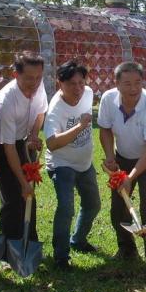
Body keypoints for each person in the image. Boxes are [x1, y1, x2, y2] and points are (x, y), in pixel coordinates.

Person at [98, 61, 146, 279]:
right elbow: (105, 129)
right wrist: (110, 157)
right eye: (127, 83)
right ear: (116, 84)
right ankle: (127, 249)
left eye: (137, 82)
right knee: (118, 207)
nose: (133, 88)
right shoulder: (108, 100)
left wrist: (131, 177)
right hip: (122, 156)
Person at [44, 60, 101, 271]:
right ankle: (61, 256)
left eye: (81, 82)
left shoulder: (87, 93)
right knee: (66, 208)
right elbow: (51, 143)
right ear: (60, 83)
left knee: (93, 204)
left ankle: (78, 240)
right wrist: (79, 126)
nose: (78, 89)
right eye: (71, 84)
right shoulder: (55, 110)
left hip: (85, 163)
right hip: (62, 164)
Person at [0, 52, 48, 249]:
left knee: (29, 196)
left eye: (38, 77)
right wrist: (23, 182)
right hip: (2, 147)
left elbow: (41, 112)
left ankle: (29, 242)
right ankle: (9, 248)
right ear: (16, 75)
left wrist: (33, 134)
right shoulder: (6, 101)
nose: (34, 82)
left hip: (23, 142)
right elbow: (8, 148)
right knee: (14, 198)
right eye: (29, 78)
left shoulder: (38, 86)